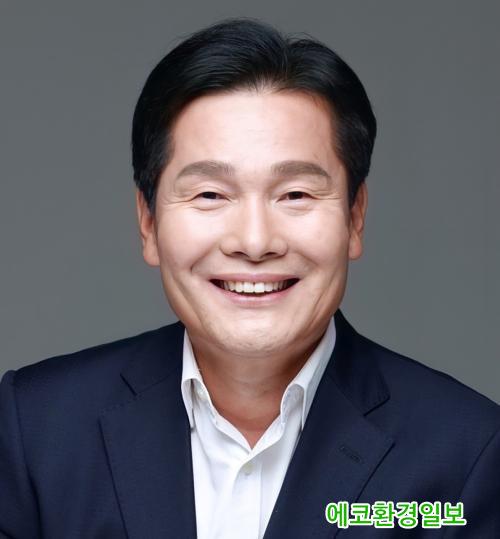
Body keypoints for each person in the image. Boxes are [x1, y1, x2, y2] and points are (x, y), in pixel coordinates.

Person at [1, 17, 499, 539]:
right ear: (148, 223)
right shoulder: (36, 428)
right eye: (210, 195)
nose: (255, 241)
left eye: (295, 194)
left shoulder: (468, 454)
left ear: (355, 218)